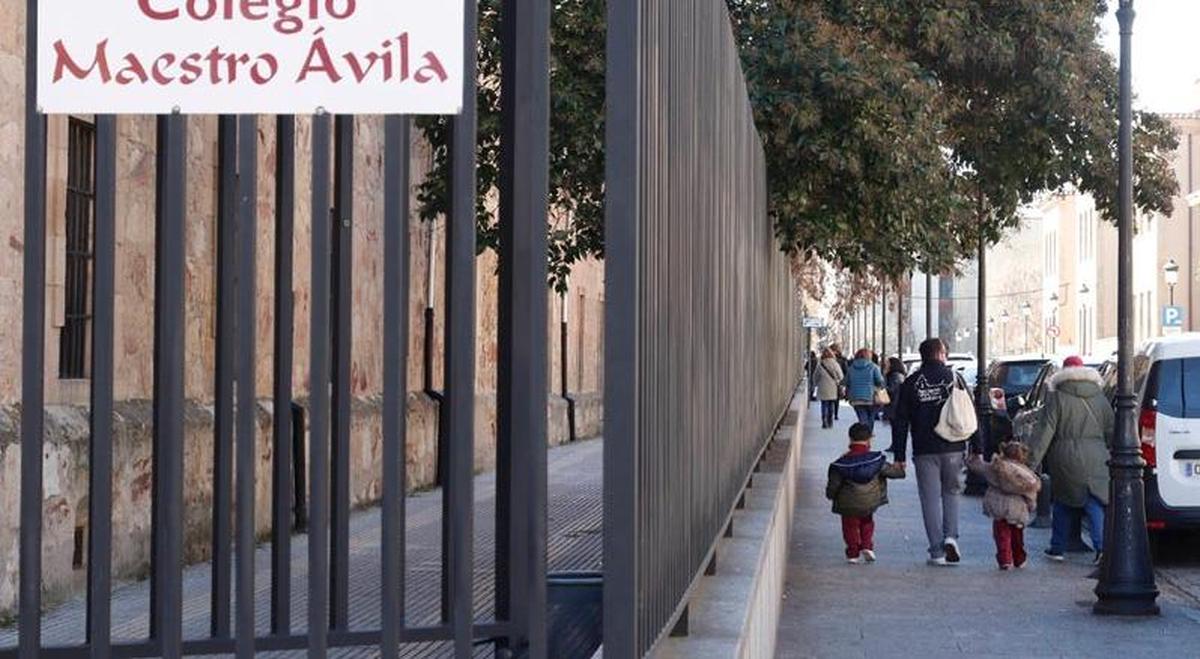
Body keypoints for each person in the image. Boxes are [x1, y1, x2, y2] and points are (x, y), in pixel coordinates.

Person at [1027, 356, 1114, 566]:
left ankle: (1057, 547)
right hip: (1097, 454)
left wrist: (1030, 462)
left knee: (1063, 502)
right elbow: (1111, 429)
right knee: (1094, 502)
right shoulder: (1099, 396)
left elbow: (1045, 432)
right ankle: (1101, 548)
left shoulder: (1056, 397)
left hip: (1065, 456)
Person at [891, 338, 969, 566]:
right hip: (954, 446)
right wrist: (978, 447)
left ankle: (937, 551)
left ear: (923, 355)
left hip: (924, 448)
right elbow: (969, 413)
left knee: (930, 499)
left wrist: (899, 455)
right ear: (942, 354)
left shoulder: (911, 382)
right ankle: (951, 536)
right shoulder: (955, 379)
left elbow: (900, 421)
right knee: (952, 493)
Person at [826, 423, 906, 564]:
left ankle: (853, 552)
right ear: (870, 439)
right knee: (867, 522)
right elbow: (894, 473)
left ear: (850, 439)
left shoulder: (840, 464)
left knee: (849, 526)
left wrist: (831, 495)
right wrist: (900, 468)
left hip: (848, 504)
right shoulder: (877, 460)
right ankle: (867, 546)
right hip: (869, 502)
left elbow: (833, 486)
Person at [967, 441, 1041, 570]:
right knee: (1017, 538)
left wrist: (971, 459)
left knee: (1002, 536)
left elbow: (979, 467)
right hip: (1018, 510)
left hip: (998, 507)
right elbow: (1030, 493)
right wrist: (1031, 505)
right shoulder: (1024, 474)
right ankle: (1019, 559)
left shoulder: (995, 467)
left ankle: (1005, 559)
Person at [845, 348, 885, 432]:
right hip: (871, 397)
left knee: (862, 417)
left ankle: (864, 433)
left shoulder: (851, 368)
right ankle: (868, 433)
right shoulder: (873, 367)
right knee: (871, 417)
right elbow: (880, 381)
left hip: (856, 397)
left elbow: (846, 382)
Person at [815, 348, 844, 429]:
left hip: (823, 387)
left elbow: (816, 376)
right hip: (832, 387)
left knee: (824, 404)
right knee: (831, 404)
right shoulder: (835, 364)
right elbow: (841, 376)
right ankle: (830, 421)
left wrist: (816, 383)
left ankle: (824, 420)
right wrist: (838, 381)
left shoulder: (820, 364)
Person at [882, 357, 907, 424]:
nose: (885, 365)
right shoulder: (895, 376)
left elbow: (890, 390)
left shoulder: (895, 376)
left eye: (887, 363)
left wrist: (884, 377)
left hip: (895, 407)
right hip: (895, 406)